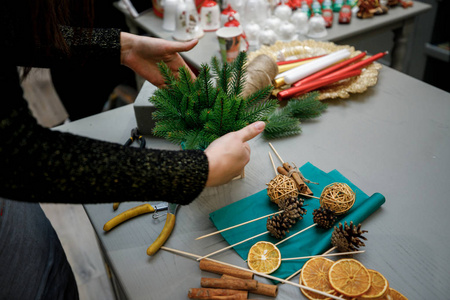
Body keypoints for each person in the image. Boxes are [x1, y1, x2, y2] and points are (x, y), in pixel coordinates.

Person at [0, 1, 265, 299]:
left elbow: (14, 36)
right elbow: (19, 156)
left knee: (53, 271)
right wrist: (195, 171)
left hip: (14, 212)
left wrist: (121, 46)